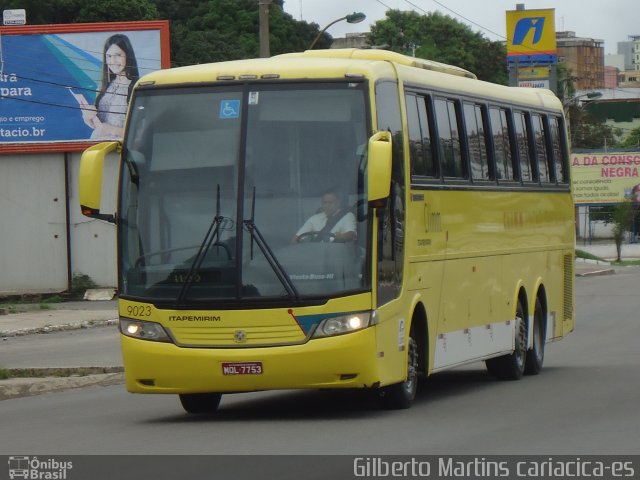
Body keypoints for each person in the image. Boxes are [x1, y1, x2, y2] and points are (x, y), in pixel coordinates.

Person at [80, 34, 139, 140]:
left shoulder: (136, 86)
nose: (113, 61)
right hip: (97, 146)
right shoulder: (104, 86)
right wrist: (87, 117)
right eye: (109, 56)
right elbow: (97, 125)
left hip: (120, 149)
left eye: (118, 55)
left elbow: (139, 132)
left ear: (128, 56)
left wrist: (112, 130)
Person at [292, 189, 356, 243]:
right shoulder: (315, 218)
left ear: (338, 203)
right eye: (325, 203)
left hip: (337, 254)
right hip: (317, 255)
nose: (327, 206)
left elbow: (351, 234)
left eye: (330, 203)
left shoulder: (347, 216)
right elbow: (297, 238)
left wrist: (342, 237)